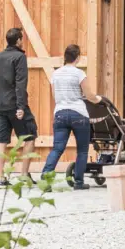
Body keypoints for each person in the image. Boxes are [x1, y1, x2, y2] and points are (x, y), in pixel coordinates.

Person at [43, 43, 101, 189]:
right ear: (78, 57)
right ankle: (79, 182)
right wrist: (98, 99)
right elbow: (89, 96)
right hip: (79, 114)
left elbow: (55, 96)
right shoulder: (79, 73)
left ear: (65, 56)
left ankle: (46, 176)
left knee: (57, 148)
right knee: (82, 150)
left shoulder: (55, 74)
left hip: (60, 113)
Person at [0, 27, 36, 185]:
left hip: (1, 106)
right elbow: (21, 83)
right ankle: (23, 175)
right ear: (18, 41)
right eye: (22, 39)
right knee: (29, 137)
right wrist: (21, 106)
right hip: (16, 105)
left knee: (1, 141)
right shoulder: (19, 57)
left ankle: (1, 178)